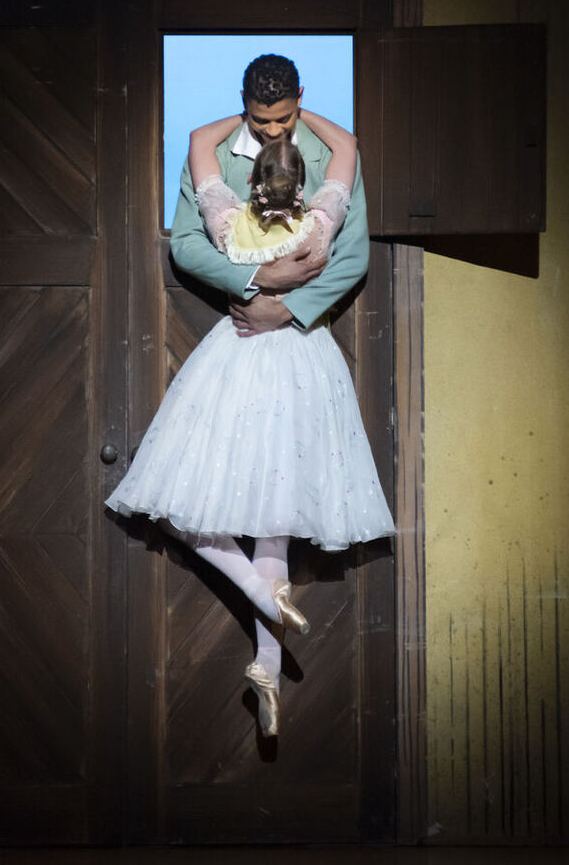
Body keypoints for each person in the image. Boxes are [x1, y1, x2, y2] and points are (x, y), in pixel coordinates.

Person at [106, 54, 394, 737]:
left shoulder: (298, 171)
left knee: (268, 499)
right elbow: (188, 249)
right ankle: (267, 614)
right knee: (251, 498)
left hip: (287, 342)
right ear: (246, 108)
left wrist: (282, 308)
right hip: (246, 338)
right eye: (262, 120)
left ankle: (266, 645)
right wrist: (257, 282)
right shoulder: (309, 197)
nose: (272, 132)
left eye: (285, 119)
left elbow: (354, 259)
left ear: (299, 104)